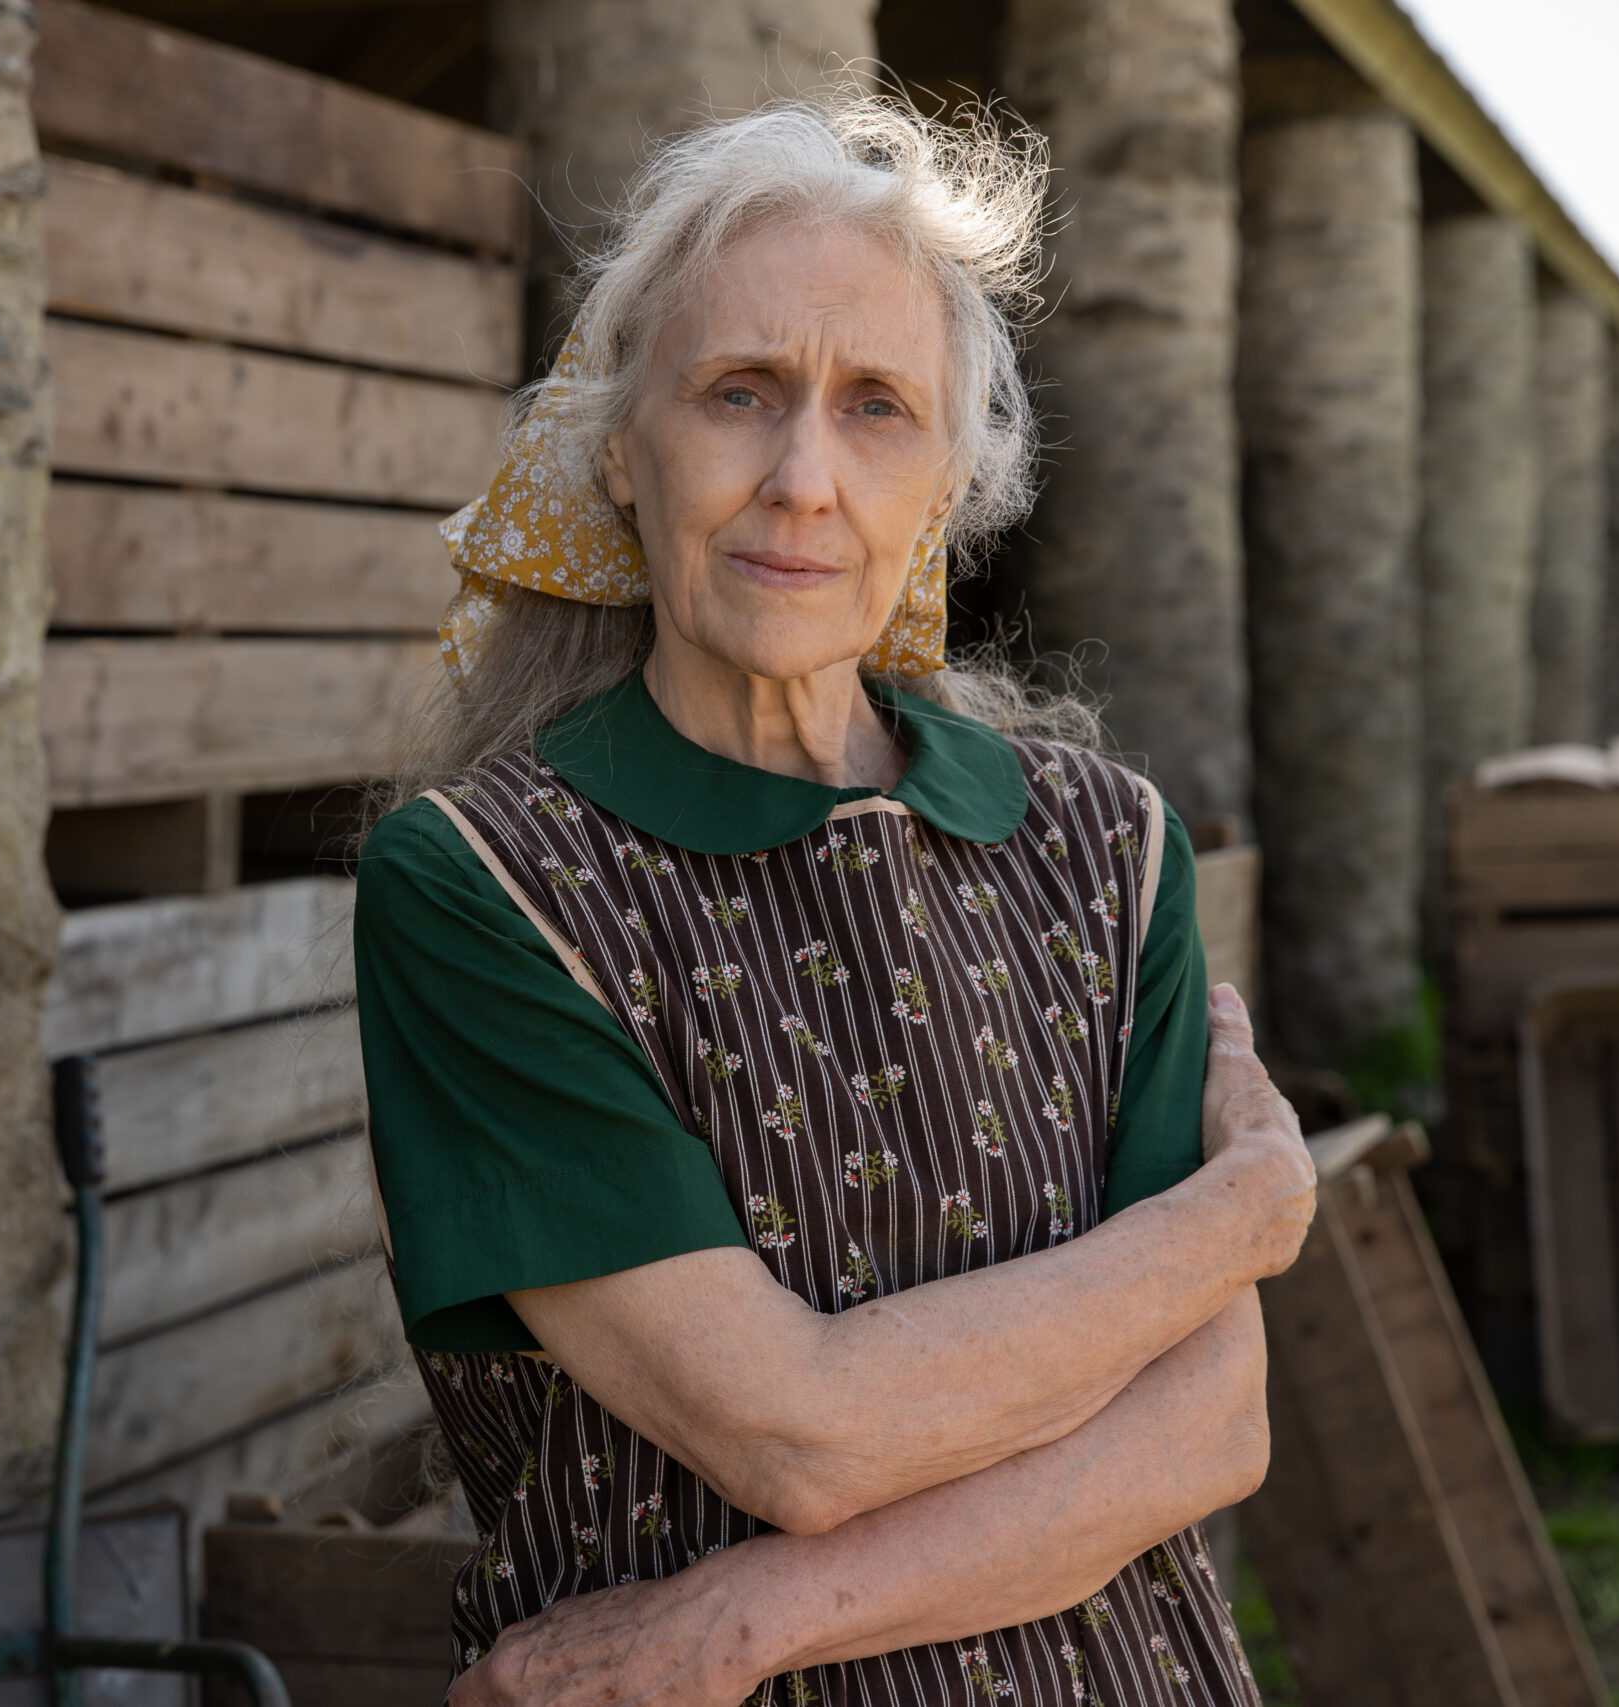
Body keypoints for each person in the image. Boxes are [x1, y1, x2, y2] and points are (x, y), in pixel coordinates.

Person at [354, 93, 1315, 1706]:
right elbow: (800, 1431)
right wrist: (1233, 1223)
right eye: (739, 393)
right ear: (618, 449)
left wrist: (735, 1628)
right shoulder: (488, 888)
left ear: (947, 478)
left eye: (878, 407)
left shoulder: (1107, 848)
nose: (804, 478)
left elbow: (1211, 1421)